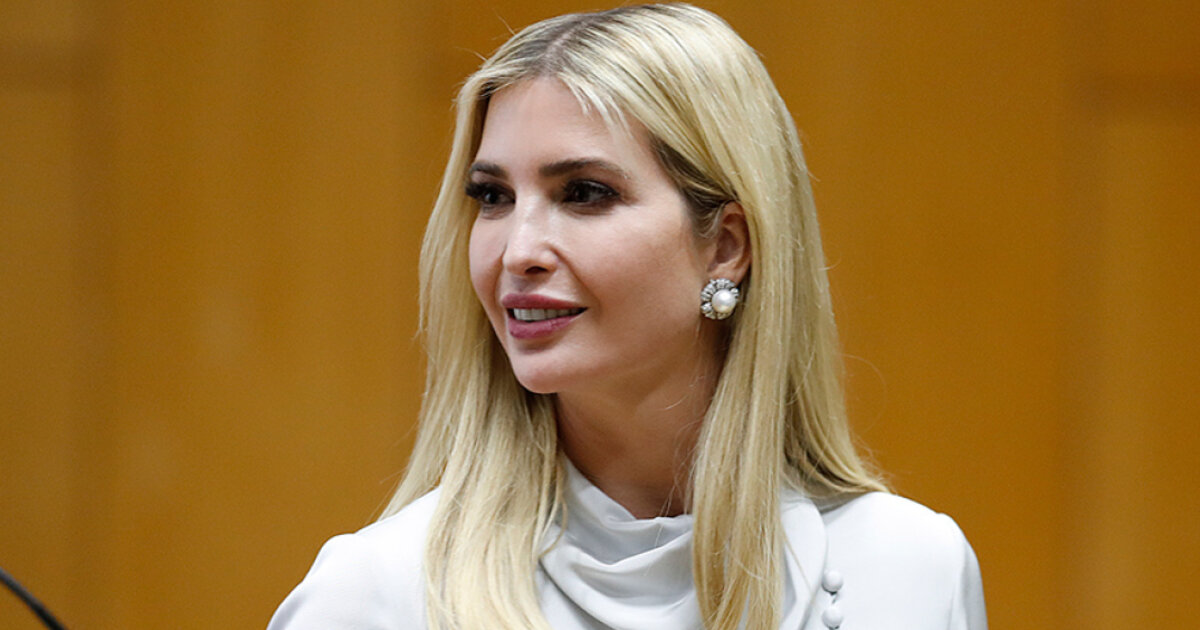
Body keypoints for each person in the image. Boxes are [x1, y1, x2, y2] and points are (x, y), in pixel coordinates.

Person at [268, 4, 987, 629]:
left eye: (584, 193)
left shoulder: (910, 569)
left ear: (726, 246)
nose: (518, 250)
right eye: (493, 197)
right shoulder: (376, 593)